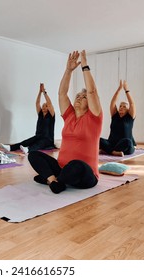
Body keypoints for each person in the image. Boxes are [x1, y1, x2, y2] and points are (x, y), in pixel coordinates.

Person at [28, 50, 103, 194]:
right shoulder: (69, 115)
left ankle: (56, 180)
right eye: (78, 96)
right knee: (33, 154)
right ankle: (53, 179)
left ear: (91, 103)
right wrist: (68, 70)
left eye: (84, 97)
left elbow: (92, 91)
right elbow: (62, 93)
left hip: (85, 174)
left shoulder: (94, 118)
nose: (79, 98)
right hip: (62, 168)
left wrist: (84, 67)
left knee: (76, 165)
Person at [0, 83, 56, 154]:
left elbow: (50, 103)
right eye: (43, 105)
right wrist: (39, 92)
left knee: (39, 144)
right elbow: (37, 103)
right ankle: (10, 147)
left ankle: (28, 149)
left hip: (47, 139)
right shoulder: (40, 114)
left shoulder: (51, 115)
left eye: (46, 106)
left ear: (49, 108)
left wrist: (44, 92)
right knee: (26, 141)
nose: (44, 107)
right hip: (38, 136)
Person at [99, 80, 136, 156]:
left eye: (124, 107)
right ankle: (113, 152)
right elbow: (113, 102)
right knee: (98, 140)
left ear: (128, 110)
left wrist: (126, 90)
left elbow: (132, 104)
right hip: (112, 143)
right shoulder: (114, 115)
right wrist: (119, 89)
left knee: (128, 142)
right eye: (120, 106)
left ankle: (108, 150)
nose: (121, 108)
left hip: (124, 145)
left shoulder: (130, 117)